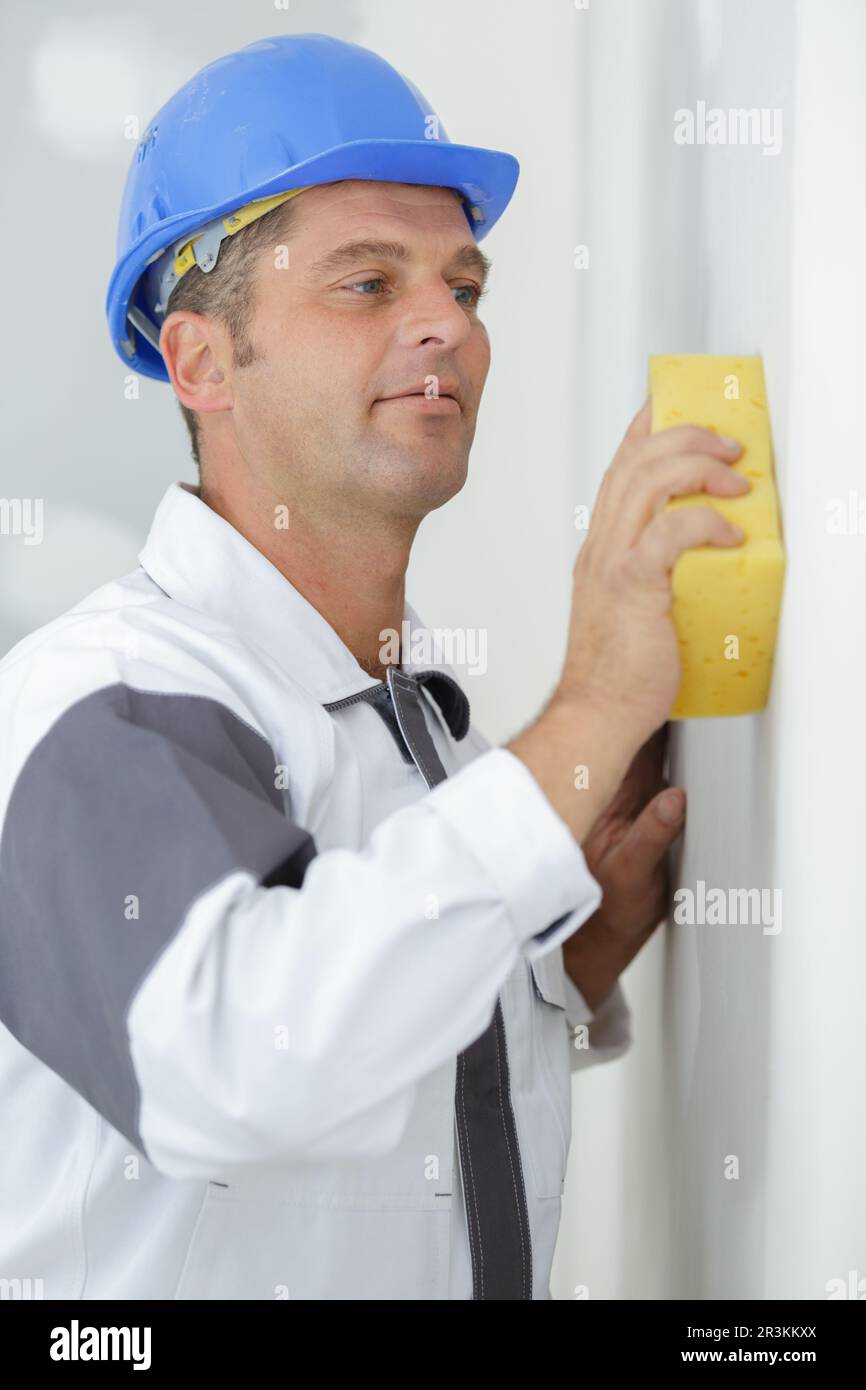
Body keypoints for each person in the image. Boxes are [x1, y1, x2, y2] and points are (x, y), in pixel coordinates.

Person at [0, 33, 748, 1301]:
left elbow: (353, 1086)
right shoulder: (99, 699)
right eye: (365, 283)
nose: (445, 323)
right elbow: (235, 1061)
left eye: (464, 284)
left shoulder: (417, 740)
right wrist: (585, 716)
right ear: (200, 362)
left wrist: (555, 965)